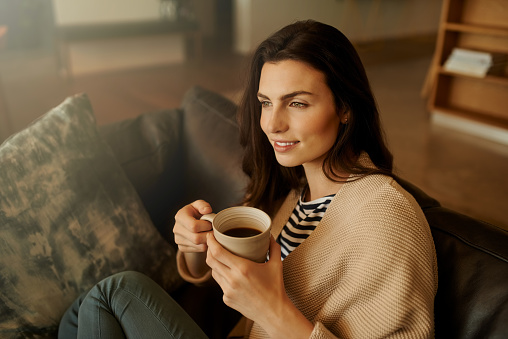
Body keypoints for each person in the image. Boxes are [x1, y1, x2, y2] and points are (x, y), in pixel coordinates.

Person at [59, 20, 438, 338]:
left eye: (298, 103)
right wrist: (193, 247)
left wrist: (272, 310)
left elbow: (265, 305)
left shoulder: (386, 217)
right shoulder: (294, 191)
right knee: (79, 315)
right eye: (266, 102)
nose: (272, 124)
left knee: (115, 292)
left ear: (345, 109)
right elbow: (221, 278)